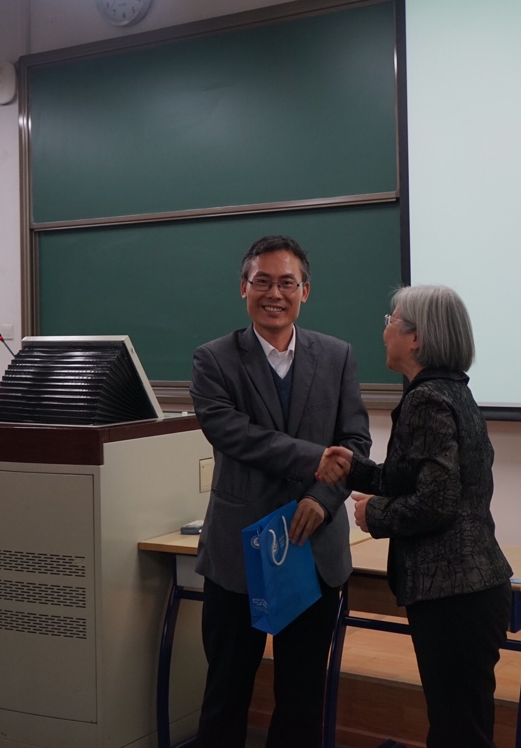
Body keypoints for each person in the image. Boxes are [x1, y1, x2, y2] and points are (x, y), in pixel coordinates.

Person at [190, 234, 371, 748]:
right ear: (243, 288)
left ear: (304, 291)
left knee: (301, 699)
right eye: (262, 282)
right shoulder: (213, 359)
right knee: (226, 695)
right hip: (239, 554)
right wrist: (313, 459)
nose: (275, 294)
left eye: (287, 283)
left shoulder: (337, 356)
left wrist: (322, 498)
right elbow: (233, 434)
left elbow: (355, 443)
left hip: (314, 551)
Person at [318, 284, 512, 748]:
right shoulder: (451, 392)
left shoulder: (426, 400)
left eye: (391, 321)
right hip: (469, 589)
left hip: (453, 595)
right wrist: (356, 468)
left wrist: (376, 515)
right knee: (460, 725)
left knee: (457, 730)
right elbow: (417, 479)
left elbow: (436, 503)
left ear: (416, 337)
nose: (384, 331)